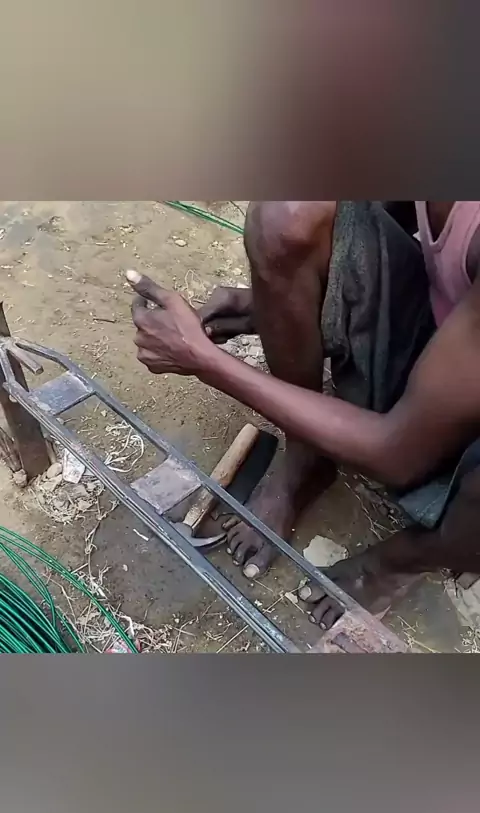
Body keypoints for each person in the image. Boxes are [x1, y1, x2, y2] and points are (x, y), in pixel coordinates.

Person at [129, 201, 480, 628]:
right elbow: (378, 222)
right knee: (287, 219)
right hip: (454, 344)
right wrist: (274, 302)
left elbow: (399, 453)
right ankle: (307, 457)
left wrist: (205, 361)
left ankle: (405, 560)